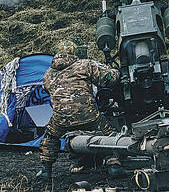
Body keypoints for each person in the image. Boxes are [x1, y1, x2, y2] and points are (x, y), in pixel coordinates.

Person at [36, 40, 122, 181]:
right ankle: (114, 166)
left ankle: (46, 170)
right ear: (74, 52)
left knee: (50, 137)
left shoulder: (48, 73)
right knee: (109, 132)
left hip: (61, 118)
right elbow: (107, 79)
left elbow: (45, 88)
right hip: (88, 115)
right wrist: (116, 72)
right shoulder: (85, 64)